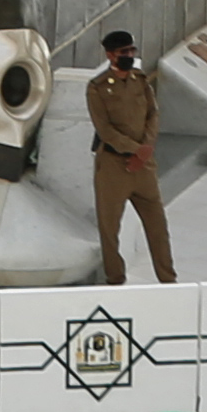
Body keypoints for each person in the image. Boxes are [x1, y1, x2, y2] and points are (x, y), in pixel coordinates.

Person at [82, 29, 165, 282]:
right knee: (109, 229)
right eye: (123, 52)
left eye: (131, 51)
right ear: (110, 55)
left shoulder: (141, 80)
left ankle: (168, 278)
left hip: (143, 164)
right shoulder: (97, 88)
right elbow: (105, 129)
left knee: (158, 226)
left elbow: (153, 114)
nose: (129, 56)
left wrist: (146, 148)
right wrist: (134, 149)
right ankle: (115, 278)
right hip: (113, 165)